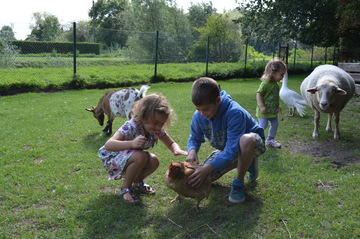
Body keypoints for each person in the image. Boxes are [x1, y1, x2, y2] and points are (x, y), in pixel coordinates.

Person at [186, 77, 266, 203]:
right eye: (198, 109)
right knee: (206, 177)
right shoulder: (198, 116)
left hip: (253, 143)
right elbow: (195, 137)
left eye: (205, 109)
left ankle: (238, 183)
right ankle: (248, 162)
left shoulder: (234, 113)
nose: (202, 113)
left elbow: (232, 151)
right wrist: (192, 150)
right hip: (229, 149)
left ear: (218, 100)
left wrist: (207, 167)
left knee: (245, 140)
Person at [98, 94, 188, 204]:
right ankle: (125, 188)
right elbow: (109, 145)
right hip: (112, 158)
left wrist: (176, 149)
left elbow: (171, 143)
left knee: (154, 160)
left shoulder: (157, 130)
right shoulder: (131, 126)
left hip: (131, 158)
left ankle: (137, 183)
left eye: (162, 123)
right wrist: (132, 143)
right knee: (141, 156)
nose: (159, 127)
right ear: (144, 116)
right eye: (155, 123)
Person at [256, 59, 287, 148]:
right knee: (263, 125)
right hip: (264, 111)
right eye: (281, 74)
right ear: (273, 72)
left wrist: (277, 106)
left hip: (272, 111)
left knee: (275, 124)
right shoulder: (265, 84)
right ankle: (255, 139)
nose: (282, 77)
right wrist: (262, 106)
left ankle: (270, 140)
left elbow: (274, 97)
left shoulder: (276, 85)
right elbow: (259, 95)